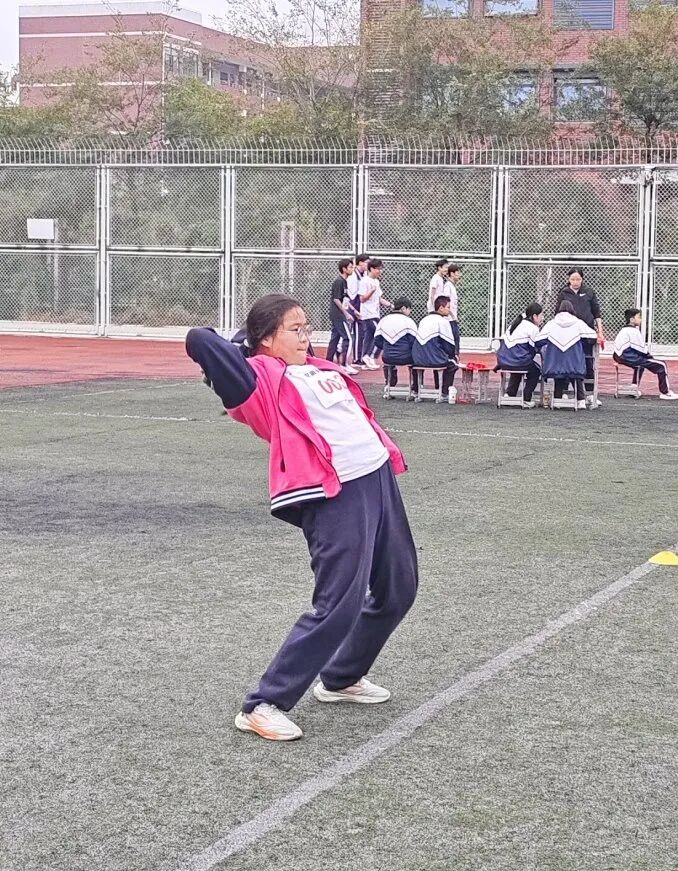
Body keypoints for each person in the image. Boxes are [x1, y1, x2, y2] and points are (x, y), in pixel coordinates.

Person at [185, 295, 418, 741]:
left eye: (307, 327)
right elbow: (201, 339)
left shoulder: (317, 367)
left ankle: (341, 678)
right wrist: (248, 346)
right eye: (294, 330)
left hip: (377, 477)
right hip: (334, 492)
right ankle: (263, 704)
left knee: (399, 587)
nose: (305, 337)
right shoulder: (257, 379)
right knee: (339, 602)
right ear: (266, 339)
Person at [555, 267, 604, 406]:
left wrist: (600, 332)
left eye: (578, 279)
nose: (575, 282)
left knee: (588, 362)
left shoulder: (589, 292)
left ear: (582, 279)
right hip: (569, 335)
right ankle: (563, 391)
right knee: (567, 361)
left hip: (586, 334)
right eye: (573, 279)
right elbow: (557, 313)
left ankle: (589, 394)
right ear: (568, 279)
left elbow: (597, 313)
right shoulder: (563, 293)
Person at [536, 300, 597, 409]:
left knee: (559, 374)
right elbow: (593, 336)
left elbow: (538, 340)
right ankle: (581, 401)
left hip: (556, 363)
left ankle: (557, 400)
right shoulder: (578, 323)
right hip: (574, 363)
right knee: (575, 375)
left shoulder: (551, 323)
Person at [613, 309, 678, 400]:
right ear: (632, 320)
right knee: (661, 365)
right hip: (628, 356)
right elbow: (642, 350)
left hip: (619, 356)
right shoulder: (633, 331)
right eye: (639, 317)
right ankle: (665, 392)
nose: (640, 319)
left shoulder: (624, 330)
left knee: (640, 366)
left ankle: (634, 388)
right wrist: (651, 358)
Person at [496, 302, 544, 408]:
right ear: (535, 316)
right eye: (541, 315)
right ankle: (526, 399)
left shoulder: (515, 324)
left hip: (502, 361)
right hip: (516, 361)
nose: (542, 318)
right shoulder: (533, 328)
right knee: (535, 371)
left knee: (518, 367)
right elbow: (534, 349)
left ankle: (509, 395)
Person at [412, 296, 457, 397]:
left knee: (436, 356)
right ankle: (444, 392)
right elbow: (449, 345)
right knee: (451, 364)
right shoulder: (443, 321)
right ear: (441, 308)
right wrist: (453, 356)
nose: (449, 310)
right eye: (448, 307)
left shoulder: (424, 319)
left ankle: (416, 389)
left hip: (417, 358)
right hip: (434, 359)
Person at [373, 296, 417, 389]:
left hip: (387, 357)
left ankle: (389, 384)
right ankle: (415, 387)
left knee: (388, 362)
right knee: (416, 361)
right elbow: (414, 342)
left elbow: (377, 340)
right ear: (403, 308)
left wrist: (387, 347)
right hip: (406, 358)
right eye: (409, 309)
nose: (410, 312)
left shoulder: (384, 320)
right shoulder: (409, 321)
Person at [326, 259, 358, 375]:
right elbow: (336, 299)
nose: (352, 269)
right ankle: (344, 365)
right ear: (344, 269)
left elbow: (345, 299)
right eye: (350, 267)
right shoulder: (339, 281)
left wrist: (354, 311)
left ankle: (328, 362)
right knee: (348, 338)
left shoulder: (344, 282)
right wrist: (346, 313)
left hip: (339, 314)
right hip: (338, 315)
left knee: (335, 338)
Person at [360, 259, 393, 370]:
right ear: (371, 269)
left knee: (369, 337)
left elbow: (379, 298)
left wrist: (390, 305)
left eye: (381, 269)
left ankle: (366, 359)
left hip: (375, 313)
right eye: (378, 269)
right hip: (368, 314)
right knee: (381, 334)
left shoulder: (376, 282)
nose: (380, 271)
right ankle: (370, 356)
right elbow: (362, 299)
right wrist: (372, 291)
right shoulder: (364, 281)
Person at [347, 254, 369, 364]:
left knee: (360, 334)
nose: (368, 265)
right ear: (360, 263)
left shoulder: (363, 275)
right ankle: (355, 359)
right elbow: (350, 296)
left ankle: (358, 358)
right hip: (353, 309)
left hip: (359, 309)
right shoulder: (353, 277)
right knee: (351, 335)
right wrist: (354, 311)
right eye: (366, 262)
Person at [443, 262, 462, 360]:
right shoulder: (448, 286)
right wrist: (453, 316)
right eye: (457, 273)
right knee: (453, 340)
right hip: (449, 319)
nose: (459, 275)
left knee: (456, 339)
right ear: (452, 274)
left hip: (452, 318)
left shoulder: (452, 286)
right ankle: (452, 359)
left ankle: (454, 359)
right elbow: (446, 302)